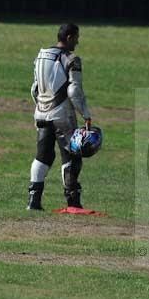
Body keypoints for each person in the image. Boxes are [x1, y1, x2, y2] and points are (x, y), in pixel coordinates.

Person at [27, 23, 93, 210]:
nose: (78, 42)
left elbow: (35, 88)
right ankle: (73, 201)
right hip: (62, 115)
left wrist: (40, 106)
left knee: (43, 157)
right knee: (72, 155)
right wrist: (85, 114)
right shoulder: (71, 58)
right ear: (70, 37)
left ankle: (33, 200)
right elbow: (73, 90)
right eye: (77, 38)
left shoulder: (41, 55)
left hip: (41, 112)